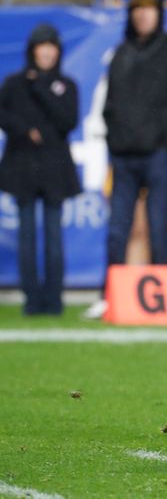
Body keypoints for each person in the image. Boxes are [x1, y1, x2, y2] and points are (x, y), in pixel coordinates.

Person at [84, 0, 167, 319]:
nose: (142, 14)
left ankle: (160, 298)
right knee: (118, 227)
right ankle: (109, 297)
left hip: (159, 156)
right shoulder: (121, 52)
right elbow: (109, 104)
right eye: (137, 8)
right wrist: (114, 141)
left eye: (149, 8)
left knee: (158, 225)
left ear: (160, 13)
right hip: (123, 156)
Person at [0, 24, 80, 316]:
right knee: (27, 236)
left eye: (51, 46)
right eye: (41, 46)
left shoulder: (66, 85)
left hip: (54, 170)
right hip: (22, 167)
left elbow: (67, 120)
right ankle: (31, 300)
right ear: (32, 50)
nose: (46, 51)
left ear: (57, 51)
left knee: (53, 237)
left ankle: (54, 300)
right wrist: (26, 130)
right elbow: (4, 113)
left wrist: (41, 87)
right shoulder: (13, 83)